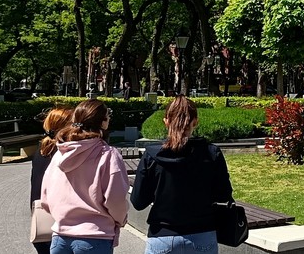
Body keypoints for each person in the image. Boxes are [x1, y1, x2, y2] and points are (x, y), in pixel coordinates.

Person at [132, 96, 234, 254]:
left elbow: (138, 202)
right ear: (195, 122)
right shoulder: (211, 153)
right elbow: (223, 195)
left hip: (162, 236)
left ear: (166, 121)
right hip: (202, 233)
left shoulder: (152, 155)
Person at [40, 99, 129, 254]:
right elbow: (116, 200)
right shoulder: (108, 155)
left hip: (60, 237)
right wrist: (120, 220)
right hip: (95, 237)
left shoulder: (60, 153)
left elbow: (45, 197)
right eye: (108, 116)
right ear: (102, 123)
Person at [30, 106, 74, 254]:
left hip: (41, 221)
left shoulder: (42, 150)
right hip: (61, 223)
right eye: (73, 123)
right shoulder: (64, 154)